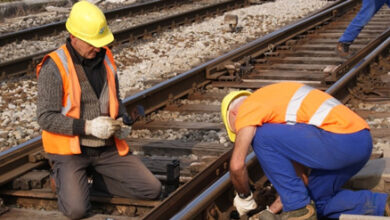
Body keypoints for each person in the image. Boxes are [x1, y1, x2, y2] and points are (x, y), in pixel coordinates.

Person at [36, 1, 161, 219]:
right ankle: (65, 180)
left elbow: (115, 98)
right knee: (77, 210)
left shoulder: (106, 59)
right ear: (73, 37)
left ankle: (83, 181)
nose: (97, 47)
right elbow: (46, 118)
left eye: (99, 42)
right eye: (91, 42)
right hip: (71, 152)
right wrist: (87, 126)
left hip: (106, 149)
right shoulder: (54, 66)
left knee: (151, 190)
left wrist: (121, 118)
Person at [221, 82, 389, 219]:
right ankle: (382, 204)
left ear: (234, 114)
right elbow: (300, 180)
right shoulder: (276, 108)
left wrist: (244, 198)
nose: (242, 132)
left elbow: (236, 166)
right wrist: (271, 211)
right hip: (360, 143)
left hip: (340, 142)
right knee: (317, 201)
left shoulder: (249, 107)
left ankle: (298, 211)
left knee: (261, 136)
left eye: (237, 130)